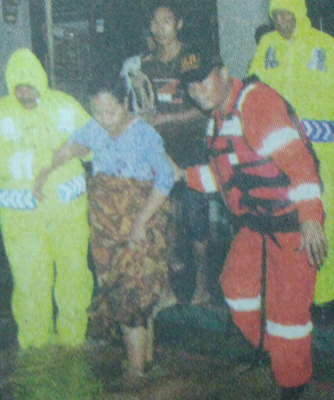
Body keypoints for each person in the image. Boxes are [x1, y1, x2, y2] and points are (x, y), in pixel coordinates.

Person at [180, 52, 327, 399]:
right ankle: (268, 347)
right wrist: (178, 175)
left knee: (287, 311)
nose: (196, 90)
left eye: (203, 79)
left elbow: (300, 163)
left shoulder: (256, 102)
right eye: (190, 84)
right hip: (257, 224)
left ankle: (292, 385)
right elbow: (223, 177)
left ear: (224, 73)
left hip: (292, 223)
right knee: (236, 284)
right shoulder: (216, 119)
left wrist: (310, 218)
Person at [34, 78, 178, 379]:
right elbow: (73, 146)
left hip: (139, 219)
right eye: (97, 112)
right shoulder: (94, 128)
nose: (104, 120)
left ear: (124, 104)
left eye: (110, 112)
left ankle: (136, 374)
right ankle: (145, 362)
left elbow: (166, 179)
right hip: (107, 226)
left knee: (132, 294)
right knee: (127, 291)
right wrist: (45, 172)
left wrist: (140, 223)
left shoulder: (144, 135)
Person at [248, 0, 334, 310]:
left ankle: (323, 294)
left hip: (321, 153)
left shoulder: (327, 46)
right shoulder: (268, 46)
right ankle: (288, 288)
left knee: (322, 216)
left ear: (300, 13)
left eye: (288, 14)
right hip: (277, 155)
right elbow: (252, 92)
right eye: (276, 15)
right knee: (280, 218)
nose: (282, 21)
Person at [0, 48, 94, 350]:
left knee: (74, 276)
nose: (26, 93)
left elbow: (93, 140)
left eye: (31, 86)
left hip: (68, 210)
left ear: (41, 83)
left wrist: (73, 149)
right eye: (19, 88)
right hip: (21, 218)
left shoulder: (65, 106)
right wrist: (41, 159)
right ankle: (35, 347)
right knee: (30, 282)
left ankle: (73, 341)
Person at [126, 2, 212, 305]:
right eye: (155, 22)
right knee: (165, 216)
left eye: (167, 20)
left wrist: (164, 119)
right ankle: (167, 289)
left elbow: (204, 110)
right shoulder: (146, 64)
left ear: (179, 23)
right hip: (160, 152)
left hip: (192, 150)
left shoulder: (192, 58)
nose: (160, 27)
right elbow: (143, 108)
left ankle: (203, 285)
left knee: (197, 220)